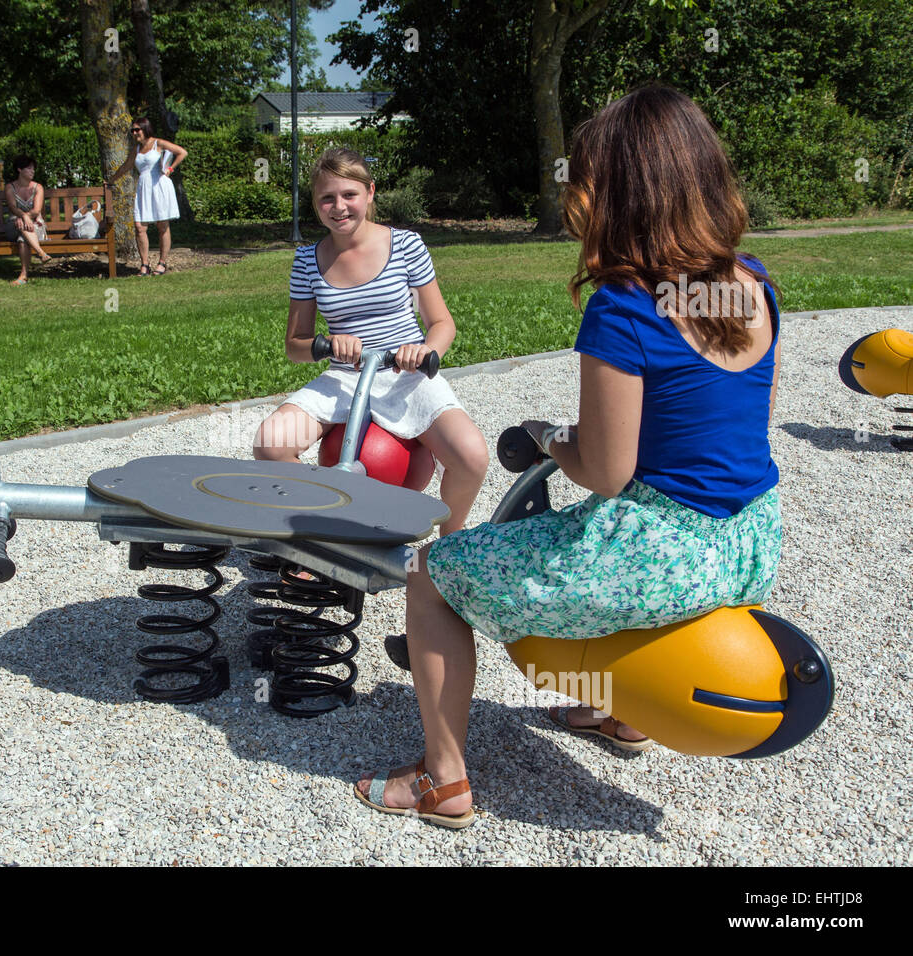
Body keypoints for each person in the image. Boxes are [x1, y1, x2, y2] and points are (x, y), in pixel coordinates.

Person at [354, 85, 782, 827]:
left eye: (583, 179)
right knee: (593, 532)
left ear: (620, 189)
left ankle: (443, 779)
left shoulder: (624, 305)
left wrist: (548, 435)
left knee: (429, 574)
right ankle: (627, 714)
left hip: (664, 550)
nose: (574, 195)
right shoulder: (753, 284)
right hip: (748, 541)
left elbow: (605, 471)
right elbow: (743, 427)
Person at [253, 148, 489, 539]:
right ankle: (324, 527)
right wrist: (327, 345)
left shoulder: (406, 245)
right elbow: (295, 345)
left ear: (370, 193)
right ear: (315, 203)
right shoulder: (307, 260)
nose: (339, 207)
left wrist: (426, 352)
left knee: (471, 455)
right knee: (270, 444)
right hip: (346, 377)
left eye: (349, 195)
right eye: (327, 198)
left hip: (405, 376)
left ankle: (449, 549)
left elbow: (441, 322)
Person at [105, 117, 186, 275]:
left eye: (137, 129)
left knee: (162, 225)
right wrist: (111, 181)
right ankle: (145, 264)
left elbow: (182, 152)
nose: (134, 133)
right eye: (132, 130)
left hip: (160, 186)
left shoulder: (158, 143)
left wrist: (170, 168)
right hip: (143, 188)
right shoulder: (136, 149)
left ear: (145, 129)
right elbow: (126, 166)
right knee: (140, 227)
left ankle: (162, 263)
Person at [3, 154, 51, 284]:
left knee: (22, 238)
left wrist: (24, 218)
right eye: (29, 168)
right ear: (19, 169)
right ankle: (41, 252)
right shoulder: (10, 188)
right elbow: (13, 208)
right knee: (18, 223)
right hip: (13, 225)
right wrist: (23, 216)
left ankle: (23, 275)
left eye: (33, 169)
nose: (33, 171)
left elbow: (36, 211)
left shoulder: (38, 188)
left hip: (35, 225)